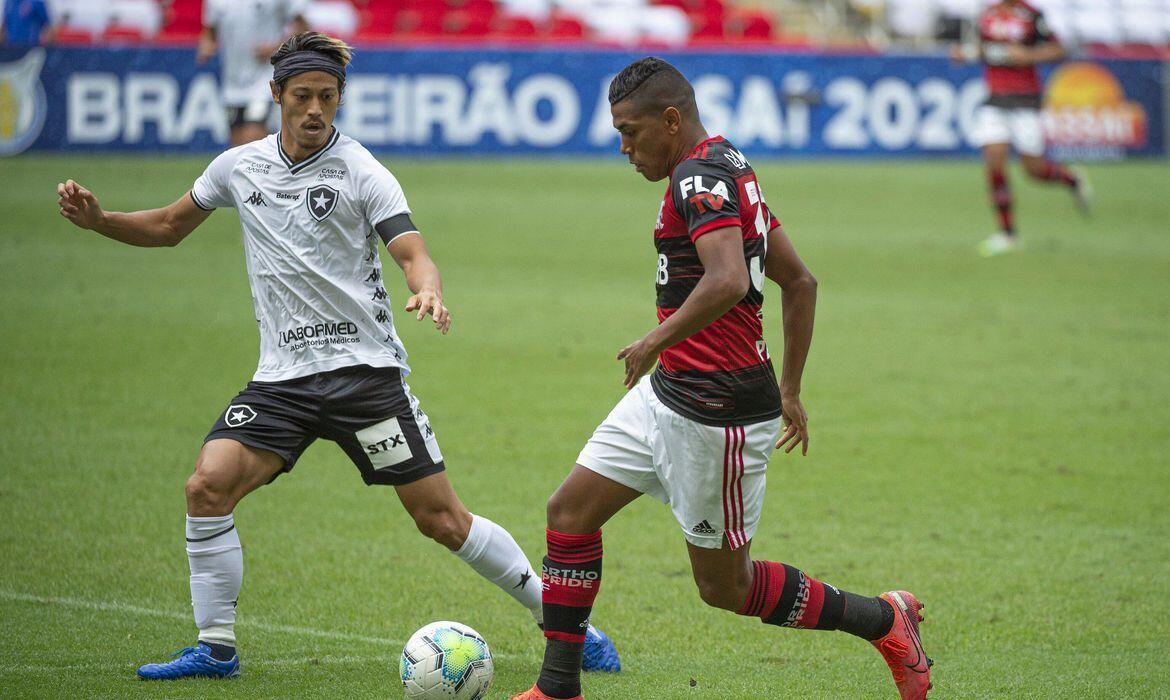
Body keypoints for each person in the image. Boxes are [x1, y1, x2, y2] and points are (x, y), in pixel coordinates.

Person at [56, 31, 618, 681]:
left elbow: (410, 249)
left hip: (364, 376)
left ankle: (566, 623)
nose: (316, 109)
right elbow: (166, 227)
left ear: (340, 99)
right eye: (302, 97)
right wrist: (101, 221)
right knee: (206, 486)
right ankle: (215, 649)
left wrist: (428, 288)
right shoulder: (238, 168)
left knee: (440, 518)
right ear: (276, 96)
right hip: (282, 384)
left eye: (327, 96)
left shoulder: (360, 169)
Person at [511, 57, 932, 700]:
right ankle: (557, 687)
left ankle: (883, 619)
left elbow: (730, 278)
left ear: (671, 119)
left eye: (630, 131)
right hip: (670, 394)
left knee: (724, 590)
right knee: (569, 513)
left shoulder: (696, 178)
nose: (624, 147)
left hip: (718, 413)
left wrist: (654, 339)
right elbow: (800, 281)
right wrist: (789, 389)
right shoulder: (731, 164)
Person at [951, 0, 1091, 257]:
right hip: (995, 99)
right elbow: (983, 50)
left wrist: (1030, 56)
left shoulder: (1033, 16)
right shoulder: (987, 15)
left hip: (1026, 101)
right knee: (994, 161)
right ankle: (1007, 234)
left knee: (1033, 170)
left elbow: (1059, 49)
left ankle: (1072, 179)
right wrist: (965, 54)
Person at [199, 0, 310, 146]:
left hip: (265, 82)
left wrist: (276, 47)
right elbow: (210, 32)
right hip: (232, 85)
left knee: (253, 145)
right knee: (238, 150)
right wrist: (206, 48)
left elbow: (303, 27)